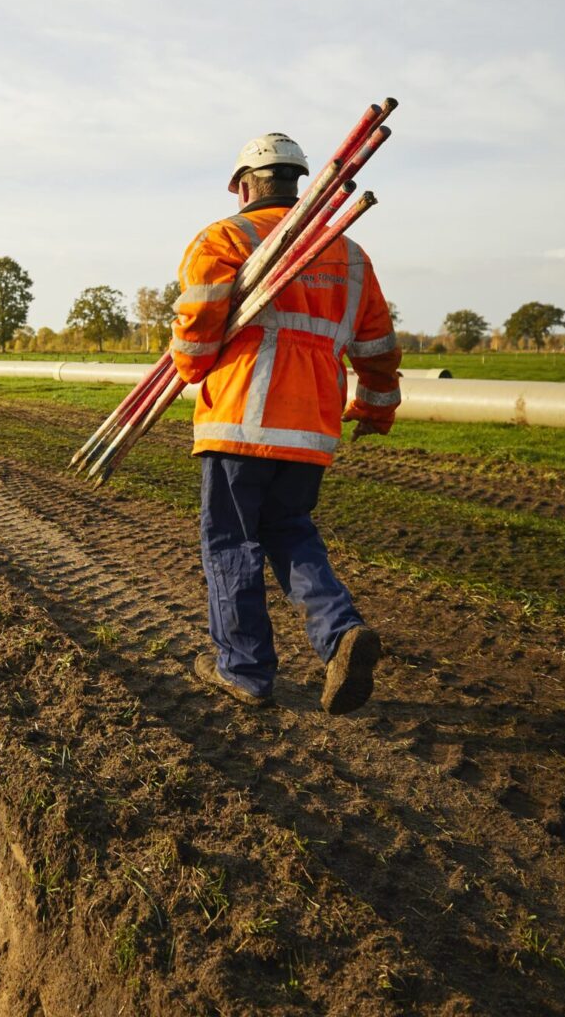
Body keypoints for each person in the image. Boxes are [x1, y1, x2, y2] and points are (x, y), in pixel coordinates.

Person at [170, 131, 401, 715]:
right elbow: (378, 345)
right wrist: (374, 407)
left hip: (241, 421)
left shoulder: (224, 237)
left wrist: (190, 364)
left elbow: (197, 327)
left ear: (244, 185)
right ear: (301, 184)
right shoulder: (349, 254)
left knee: (230, 541)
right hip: (311, 428)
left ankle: (243, 670)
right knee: (290, 530)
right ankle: (340, 632)